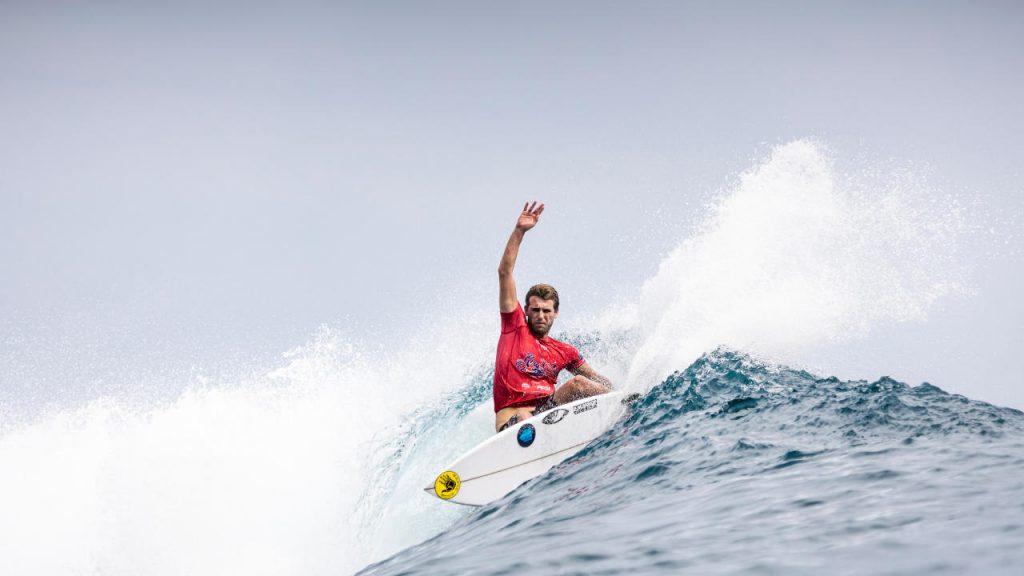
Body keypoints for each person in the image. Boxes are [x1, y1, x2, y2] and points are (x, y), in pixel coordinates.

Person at [493, 201, 613, 433]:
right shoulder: (513, 327)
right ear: (525, 310)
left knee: (578, 384)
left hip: (549, 415)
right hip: (514, 422)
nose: (540, 315)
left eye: (546, 311)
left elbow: (594, 378)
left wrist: (617, 390)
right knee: (522, 416)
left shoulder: (564, 351)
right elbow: (504, 272)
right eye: (535, 310)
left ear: (555, 313)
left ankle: (625, 404)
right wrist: (519, 231)